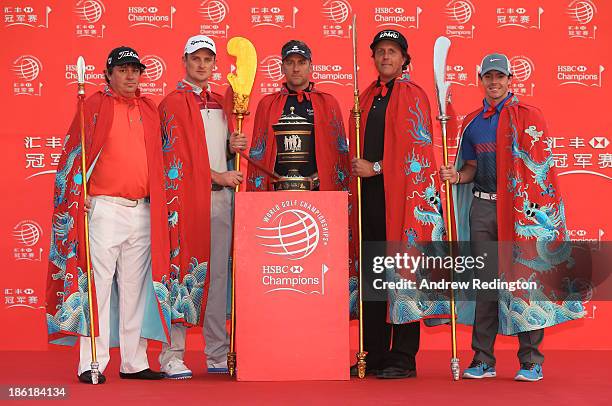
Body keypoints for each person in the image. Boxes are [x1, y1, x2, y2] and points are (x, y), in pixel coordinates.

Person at [440, 53, 584, 382]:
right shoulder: (472, 122)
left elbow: (540, 174)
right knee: (485, 284)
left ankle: (531, 361)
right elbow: (471, 169)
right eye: (488, 76)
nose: (494, 82)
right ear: (480, 79)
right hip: (483, 209)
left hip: (519, 213)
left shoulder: (529, 116)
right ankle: (483, 359)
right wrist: (455, 176)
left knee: (525, 282)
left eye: (499, 76)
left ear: (509, 80)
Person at [46, 46, 169, 384]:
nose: (131, 76)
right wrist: (77, 193)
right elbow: (74, 155)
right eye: (123, 70)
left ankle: (134, 362)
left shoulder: (149, 109)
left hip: (142, 209)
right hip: (104, 209)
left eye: (135, 70)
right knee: (97, 287)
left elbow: (164, 161)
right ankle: (92, 362)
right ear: (109, 73)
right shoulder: (95, 105)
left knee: (136, 289)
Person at [350, 30, 448, 379]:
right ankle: (374, 351)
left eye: (392, 51)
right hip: (371, 201)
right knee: (375, 274)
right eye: (380, 52)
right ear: (373, 58)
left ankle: (403, 356)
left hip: (403, 200)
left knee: (406, 270)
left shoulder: (413, 95)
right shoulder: (366, 97)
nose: (386, 57)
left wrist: (375, 167)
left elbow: (416, 152)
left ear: (405, 59)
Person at [157, 35, 246, 379]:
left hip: (221, 201)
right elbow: (175, 159)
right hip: (185, 202)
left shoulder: (224, 102)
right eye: (195, 58)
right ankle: (172, 355)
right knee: (183, 274)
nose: (202, 64)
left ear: (214, 65)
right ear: (184, 61)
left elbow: (222, 152)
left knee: (218, 277)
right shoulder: (172, 104)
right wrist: (216, 176)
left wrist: (232, 146)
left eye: (208, 59)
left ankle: (216, 353)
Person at [246, 39, 352, 194]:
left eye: (301, 62)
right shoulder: (267, 104)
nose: (295, 68)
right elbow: (259, 156)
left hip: (319, 190)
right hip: (277, 190)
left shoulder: (328, 102)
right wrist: (277, 179)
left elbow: (338, 155)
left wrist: (315, 180)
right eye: (290, 62)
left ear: (311, 66)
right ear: (282, 67)